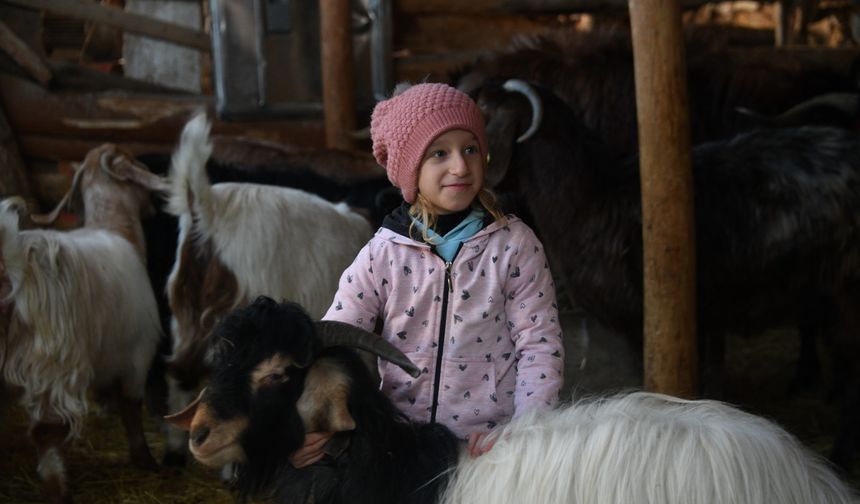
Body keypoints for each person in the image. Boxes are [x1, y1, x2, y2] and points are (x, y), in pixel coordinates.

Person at [290, 82, 564, 467]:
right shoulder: (382, 254)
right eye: (439, 153)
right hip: (404, 446)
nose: (460, 166)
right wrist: (312, 426)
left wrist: (526, 429)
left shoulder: (514, 245)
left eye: (470, 149)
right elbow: (336, 338)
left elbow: (539, 345)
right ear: (409, 169)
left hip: (489, 447)